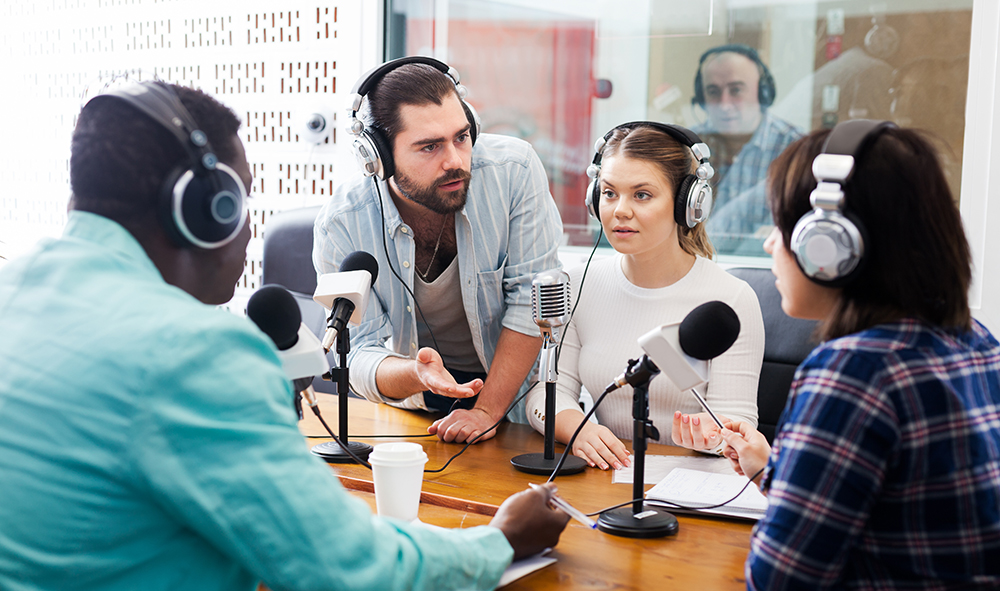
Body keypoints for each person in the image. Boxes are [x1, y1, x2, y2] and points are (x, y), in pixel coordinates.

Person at [0, 81, 568, 591]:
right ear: (207, 211)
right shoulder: (190, 354)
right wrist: (502, 540)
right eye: (241, 198)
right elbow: (350, 568)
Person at [719, 121, 1000, 589]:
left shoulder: (853, 371)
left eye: (782, 227)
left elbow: (781, 580)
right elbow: (903, 508)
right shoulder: (976, 341)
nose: (770, 243)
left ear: (827, 244)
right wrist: (770, 471)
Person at [313, 57, 563, 444]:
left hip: (513, 403)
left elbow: (531, 307)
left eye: (461, 137)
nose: (455, 162)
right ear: (376, 155)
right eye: (429, 146)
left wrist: (485, 410)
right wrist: (417, 373)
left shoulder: (514, 171)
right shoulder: (343, 224)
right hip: (414, 409)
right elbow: (359, 352)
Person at [525, 122, 765, 470]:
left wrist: (713, 440)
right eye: (609, 193)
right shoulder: (577, 285)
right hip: (607, 478)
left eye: (641, 195)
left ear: (687, 204)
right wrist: (578, 431)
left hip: (691, 487)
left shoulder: (731, 298)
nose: (620, 210)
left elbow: (738, 423)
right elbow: (545, 395)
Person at [690, 44, 803, 255]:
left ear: (763, 93)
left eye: (736, 90)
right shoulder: (688, 146)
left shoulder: (795, 149)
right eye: (713, 92)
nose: (724, 104)